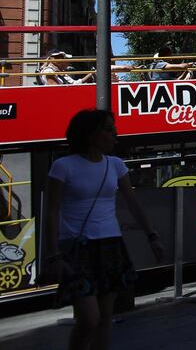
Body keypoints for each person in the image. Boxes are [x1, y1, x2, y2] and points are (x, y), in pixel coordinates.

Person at [42, 109, 164, 350]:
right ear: (90, 134)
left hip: (111, 244)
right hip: (78, 249)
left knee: (106, 319)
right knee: (89, 320)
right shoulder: (63, 166)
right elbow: (52, 211)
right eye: (108, 129)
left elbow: (132, 203)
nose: (115, 133)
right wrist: (53, 253)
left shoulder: (116, 165)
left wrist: (152, 236)